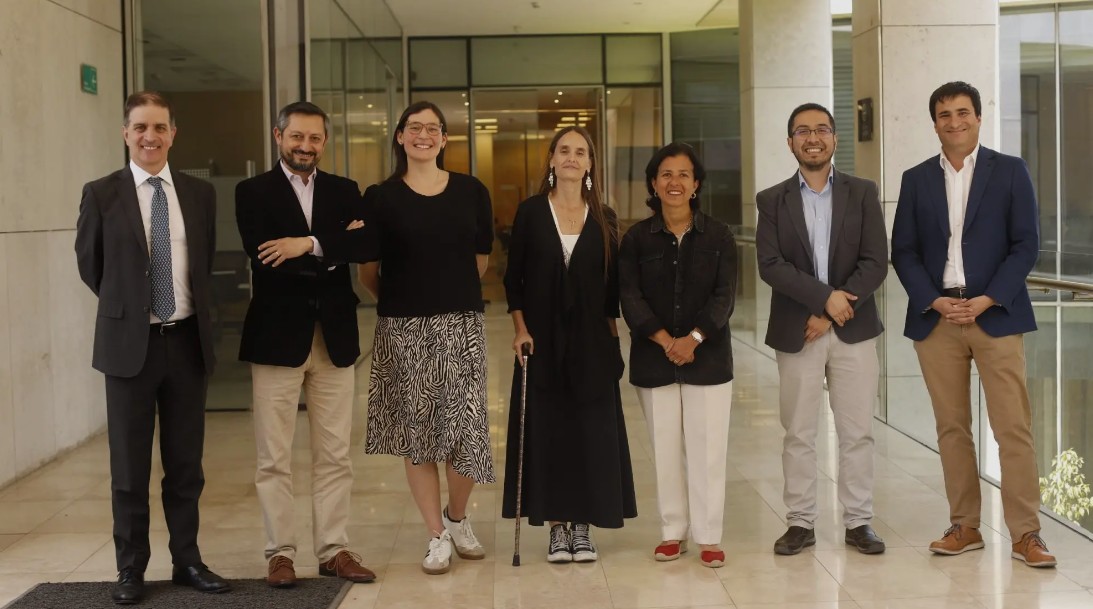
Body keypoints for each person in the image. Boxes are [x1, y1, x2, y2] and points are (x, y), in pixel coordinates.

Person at [891, 81, 1055, 568]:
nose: (954, 121)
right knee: (952, 428)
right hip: (937, 319)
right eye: (944, 114)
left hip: (996, 315)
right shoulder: (916, 178)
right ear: (935, 122)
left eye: (963, 112)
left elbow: (1026, 244)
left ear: (979, 118)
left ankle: (1027, 534)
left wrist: (988, 298)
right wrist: (935, 301)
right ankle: (965, 526)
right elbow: (904, 250)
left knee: (1013, 429)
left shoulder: (1009, 171)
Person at [75, 91, 231, 604]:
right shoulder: (101, 194)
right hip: (129, 348)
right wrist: (132, 307)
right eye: (140, 127)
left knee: (186, 465)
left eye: (159, 127)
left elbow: (202, 264)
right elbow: (92, 267)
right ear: (125, 133)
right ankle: (131, 569)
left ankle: (187, 559)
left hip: (186, 344)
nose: (150, 136)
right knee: (129, 467)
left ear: (172, 134)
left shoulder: (198, 194)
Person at [234, 101, 375, 587]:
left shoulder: (344, 190)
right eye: (297, 136)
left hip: (334, 338)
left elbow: (365, 246)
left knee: (335, 454)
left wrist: (305, 244)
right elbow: (265, 256)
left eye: (315, 138)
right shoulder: (252, 192)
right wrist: (331, 246)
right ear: (279, 136)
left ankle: (334, 549)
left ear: (324, 142)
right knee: (273, 456)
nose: (306, 146)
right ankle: (280, 553)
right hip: (275, 337)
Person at [357, 101, 493, 575]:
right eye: (414, 128)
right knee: (419, 437)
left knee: (465, 432)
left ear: (444, 139)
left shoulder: (472, 192)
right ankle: (436, 534)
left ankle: (458, 517)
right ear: (399, 136)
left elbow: (480, 261)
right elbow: (368, 272)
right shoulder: (380, 197)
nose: (423, 135)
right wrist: (404, 301)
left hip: (462, 326)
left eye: (432, 128)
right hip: (403, 329)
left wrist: (447, 294)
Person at [756, 103, 888, 556]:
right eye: (802, 131)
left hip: (853, 328)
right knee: (798, 431)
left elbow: (876, 261)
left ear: (834, 138)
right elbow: (771, 265)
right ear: (790, 140)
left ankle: (859, 521)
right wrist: (821, 299)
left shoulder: (864, 192)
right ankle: (800, 522)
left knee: (857, 431)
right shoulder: (771, 200)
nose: (813, 138)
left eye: (822, 130)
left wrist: (831, 310)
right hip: (798, 331)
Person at [500, 126, 637, 563]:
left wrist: (616, 345)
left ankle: (583, 527)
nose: (573, 157)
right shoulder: (530, 212)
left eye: (581, 151)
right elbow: (513, 280)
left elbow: (611, 291)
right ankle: (558, 527)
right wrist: (520, 329)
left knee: (591, 434)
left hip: (593, 343)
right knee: (550, 431)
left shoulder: (606, 218)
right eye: (565, 150)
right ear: (553, 160)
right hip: (540, 342)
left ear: (590, 163)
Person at [619, 142, 737, 568]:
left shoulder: (719, 235)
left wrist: (694, 338)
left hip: (708, 357)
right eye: (666, 174)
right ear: (653, 183)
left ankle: (709, 536)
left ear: (696, 184)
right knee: (664, 448)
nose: (674, 182)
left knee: (707, 450)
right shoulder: (635, 237)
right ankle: (673, 532)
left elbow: (725, 295)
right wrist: (666, 339)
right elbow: (629, 296)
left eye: (683, 174)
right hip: (655, 357)